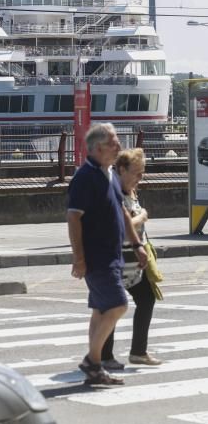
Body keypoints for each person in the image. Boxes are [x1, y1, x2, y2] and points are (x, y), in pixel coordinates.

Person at [67, 123, 148, 386]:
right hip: (97, 257)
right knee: (118, 305)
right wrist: (79, 258)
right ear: (99, 147)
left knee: (101, 310)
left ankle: (95, 366)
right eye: (114, 142)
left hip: (113, 255)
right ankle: (92, 361)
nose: (119, 146)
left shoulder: (109, 174)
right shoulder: (84, 177)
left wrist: (137, 245)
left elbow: (123, 213)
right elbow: (73, 218)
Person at [101, 148, 162, 369]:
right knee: (112, 306)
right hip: (114, 261)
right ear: (122, 169)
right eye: (136, 172)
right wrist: (143, 216)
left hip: (133, 264)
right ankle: (105, 356)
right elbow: (118, 227)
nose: (140, 177)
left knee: (146, 299)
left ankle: (138, 351)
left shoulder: (129, 190)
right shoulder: (112, 190)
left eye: (142, 172)